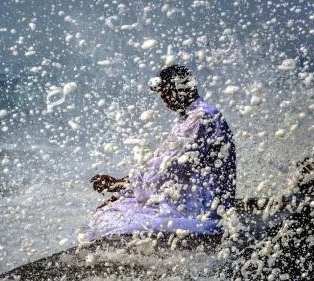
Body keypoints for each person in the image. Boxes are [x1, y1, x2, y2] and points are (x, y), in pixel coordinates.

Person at [86, 65, 236, 242]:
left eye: (165, 92)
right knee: (109, 212)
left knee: (110, 220)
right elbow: (160, 163)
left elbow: (169, 169)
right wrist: (123, 191)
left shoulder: (201, 118)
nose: (164, 99)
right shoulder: (189, 116)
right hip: (187, 200)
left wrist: (120, 185)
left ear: (179, 89)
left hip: (200, 209)